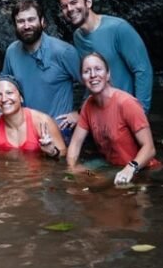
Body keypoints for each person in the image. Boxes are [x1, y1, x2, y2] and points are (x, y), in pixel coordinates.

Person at [57, 0, 153, 111]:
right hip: (100, 113)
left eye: (74, 2)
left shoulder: (119, 28)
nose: (70, 9)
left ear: (88, 2)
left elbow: (143, 71)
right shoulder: (78, 37)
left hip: (125, 111)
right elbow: (90, 78)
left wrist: (141, 113)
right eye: (64, 6)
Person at [66, 52, 157, 186]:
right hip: (110, 165)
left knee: (96, 184)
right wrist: (71, 168)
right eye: (87, 71)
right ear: (82, 78)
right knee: (71, 179)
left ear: (108, 74)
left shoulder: (127, 103)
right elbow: (75, 144)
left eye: (98, 69)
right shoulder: (88, 105)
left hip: (140, 169)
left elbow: (150, 149)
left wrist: (130, 169)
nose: (92, 75)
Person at [3, 0, 80, 130]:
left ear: (42, 21)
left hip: (59, 132)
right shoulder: (12, 52)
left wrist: (79, 113)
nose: (26, 26)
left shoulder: (63, 52)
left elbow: (92, 84)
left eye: (31, 19)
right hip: (25, 132)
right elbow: (4, 86)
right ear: (15, 25)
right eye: (21, 21)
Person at [0, 74, 66, 159]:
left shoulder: (43, 122)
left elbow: (63, 154)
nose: (4, 99)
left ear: (21, 97)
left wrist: (53, 152)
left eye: (9, 93)